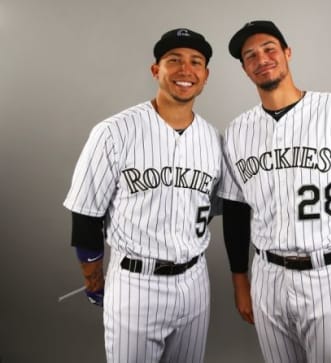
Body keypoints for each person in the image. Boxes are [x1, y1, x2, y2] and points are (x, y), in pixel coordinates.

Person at [219, 20, 331, 363]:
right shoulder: (236, 131)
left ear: (287, 53)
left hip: (327, 274)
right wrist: (241, 282)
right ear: (244, 68)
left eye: (269, 49)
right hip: (266, 275)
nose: (261, 58)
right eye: (250, 55)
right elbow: (236, 212)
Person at [63, 28, 222, 363]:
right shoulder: (114, 132)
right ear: (156, 70)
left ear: (205, 76)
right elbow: (85, 214)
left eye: (195, 62)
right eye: (174, 60)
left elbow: (223, 207)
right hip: (137, 282)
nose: (185, 69)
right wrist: (93, 280)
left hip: (195, 282)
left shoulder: (214, 139)